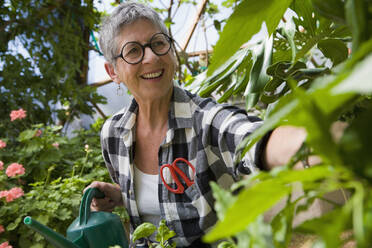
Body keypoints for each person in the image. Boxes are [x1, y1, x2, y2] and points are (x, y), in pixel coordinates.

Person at [84, 1, 312, 247]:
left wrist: (314, 144)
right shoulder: (113, 134)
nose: (151, 57)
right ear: (113, 71)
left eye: (158, 43)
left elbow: (253, 138)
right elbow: (155, 199)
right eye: (133, 51)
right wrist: (123, 196)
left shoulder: (207, 121)